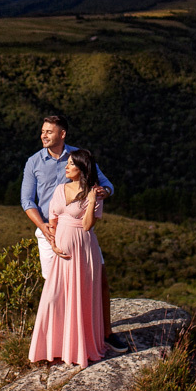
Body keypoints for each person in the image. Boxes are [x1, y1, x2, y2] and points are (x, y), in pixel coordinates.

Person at [20, 116, 129, 354]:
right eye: (42, 131)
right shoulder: (34, 162)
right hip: (49, 229)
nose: (43, 135)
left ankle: (106, 333)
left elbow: (107, 184)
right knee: (55, 286)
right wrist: (45, 227)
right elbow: (27, 200)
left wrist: (103, 192)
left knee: (99, 280)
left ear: (62, 134)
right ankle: (56, 342)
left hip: (80, 233)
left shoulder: (78, 157)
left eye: (49, 131)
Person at [28, 149, 105, 367]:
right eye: (67, 163)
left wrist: (91, 201)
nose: (66, 167)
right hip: (62, 254)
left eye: (71, 164)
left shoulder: (95, 194)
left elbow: (88, 225)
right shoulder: (60, 189)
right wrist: (53, 244)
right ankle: (50, 348)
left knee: (80, 300)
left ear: (82, 169)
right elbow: (52, 222)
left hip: (83, 252)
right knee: (54, 298)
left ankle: (78, 350)